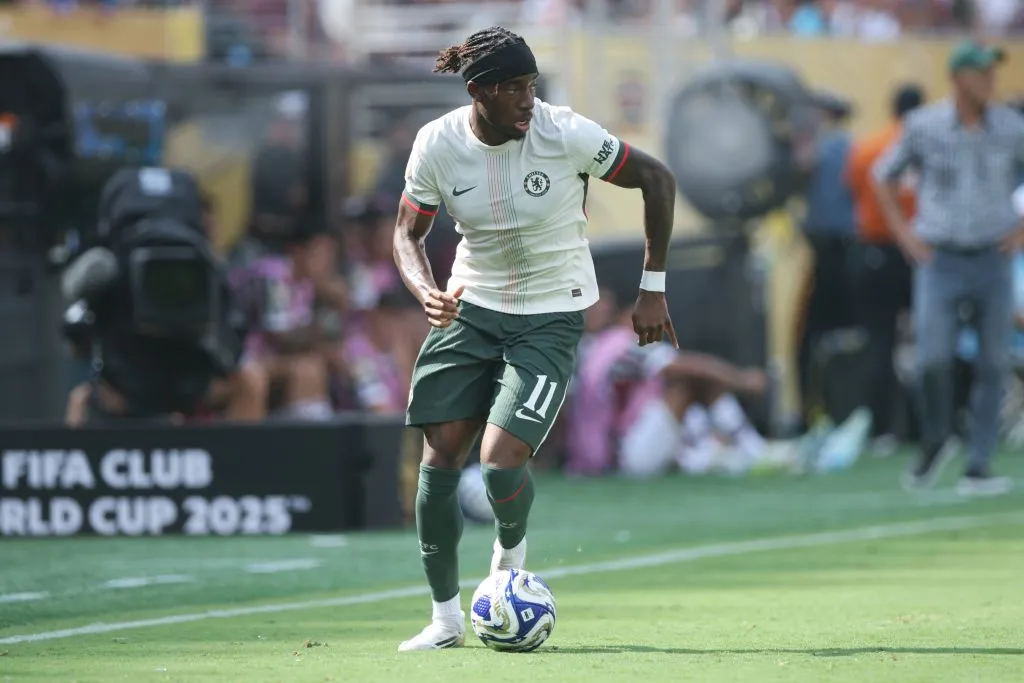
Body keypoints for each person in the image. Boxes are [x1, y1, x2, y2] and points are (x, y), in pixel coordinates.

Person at [392, 26, 677, 651]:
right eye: (514, 89)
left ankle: (509, 561)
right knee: (439, 456)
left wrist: (652, 287)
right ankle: (444, 621)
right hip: (470, 306)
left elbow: (655, 179)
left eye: (532, 86)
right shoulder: (436, 145)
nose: (528, 100)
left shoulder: (565, 132)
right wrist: (424, 290)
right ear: (479, 93)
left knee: (499, 460)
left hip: (551, 311)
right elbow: (407, 234)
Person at [874, 40, 1024, 495]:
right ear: (958, 77)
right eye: (981, 72)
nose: (990, 81)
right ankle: (937, 437)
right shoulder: (924, 125)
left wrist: (1019, 232)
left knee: (993, 362)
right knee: (932, 360)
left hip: (992, 258)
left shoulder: (1011, 127)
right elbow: (883, 175)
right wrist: (904, 234)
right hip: (939, 257)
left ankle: (978, 464)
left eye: (992, 72)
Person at [845, 83, 924, 445]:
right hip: (923, 250)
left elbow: (854, 191)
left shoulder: (869, 147)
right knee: (930, 340)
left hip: (877, 250)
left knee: (879, 341)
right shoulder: (931, 146)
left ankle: (884, 428)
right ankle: (933, 424)